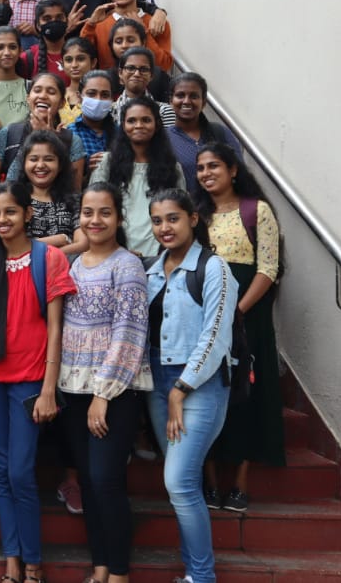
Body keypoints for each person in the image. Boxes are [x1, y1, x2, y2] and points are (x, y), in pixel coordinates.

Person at [0, 182, 74, 583]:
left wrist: (48, 389)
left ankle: (33, 561)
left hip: (30, 381)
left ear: (28, 213)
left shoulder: (49, 258)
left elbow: (56, 329)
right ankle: (12, 558)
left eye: (10, 211)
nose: (1, 220)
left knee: (20, 472)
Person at [62, 182, 152, 583]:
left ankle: (119, 573)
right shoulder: (75, 265)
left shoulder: (127, 265)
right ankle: (99, 567)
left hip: (115, 392)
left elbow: (129, 333)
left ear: (119, 218)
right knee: (88, 482)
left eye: (104, 212)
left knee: (105, 480)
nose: (95, 220)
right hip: (73, 389)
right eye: (87, 212)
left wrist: (103, 394)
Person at [145, 189, 235, 583]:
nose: (164, 227)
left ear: (193, 219)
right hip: (157, 383)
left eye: (173, 218)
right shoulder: (151, 269)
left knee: (179, 482)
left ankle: (202, 576)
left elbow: (215, 336)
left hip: (199, 385)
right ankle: (193, 572)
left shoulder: (214, 268)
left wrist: (181, 388)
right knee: (183, 482)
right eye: (157, 221)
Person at [194, 144, 284, 513]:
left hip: (249, 316)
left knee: (246, 395)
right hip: (203, 313)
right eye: (200, 167)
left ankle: (241, 482)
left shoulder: (256, 210)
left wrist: (237, 311)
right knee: (206, 393)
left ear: (233, 170)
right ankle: (210, 480)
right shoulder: (195, 214)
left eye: (214, 165)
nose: (206, 173)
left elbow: (268, 268)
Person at [90, 98, 186, 255]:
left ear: (157, 124)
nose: (139, 125)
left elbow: (180, 212)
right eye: (131, 121)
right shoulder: (107, 163)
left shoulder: (172, 167)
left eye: (146, 120)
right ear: (123, 125)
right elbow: (95, 208)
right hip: (116, 252)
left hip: (161, 253)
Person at [0, 72, 86, 186]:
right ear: (28, 98)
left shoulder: (72, 141)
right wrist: (36, 137)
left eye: (51, 92)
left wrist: (51, 141)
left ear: (62, 103)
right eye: (37, 90)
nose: (42, 96)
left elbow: (73, 191)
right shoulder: (9, 133)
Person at [81, 0, 172, 71]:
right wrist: (90, 24)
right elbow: (83, 56)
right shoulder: (98, 25)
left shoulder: (157, 23)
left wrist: (144, 32)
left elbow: (164, 65)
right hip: (108, 81)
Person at [168, 72, 243, 190]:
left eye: (194, 96)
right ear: (171, 101)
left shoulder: (220, 132)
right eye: (180, 95)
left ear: (203, 102)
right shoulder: (163, 139)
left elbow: (241, 174)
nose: (186, 101)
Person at [67, 70, 117, 176]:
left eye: (105, 95)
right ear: (79, 97)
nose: (98, 99)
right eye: (91, 94)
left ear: (112, 99)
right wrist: (86, 169)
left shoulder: (120, 133)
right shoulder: (70, 134)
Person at [15, 0, 71, 85]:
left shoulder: (78, 55)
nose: (54, 22)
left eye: (59, 18)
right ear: (38, 25)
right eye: (47, 19)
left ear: (67, 21)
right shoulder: (27, 58)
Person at [0, 27, 29, 128]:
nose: (7, 53)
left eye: (12, 47)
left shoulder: (31, 88)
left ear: (20, 50)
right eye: (0, 47)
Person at [56, 37, 96, 125]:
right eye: (69, 60)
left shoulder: (100, 96)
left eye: (81, 59)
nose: (74, 65)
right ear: (62, 64)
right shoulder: (57, 95)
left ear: (93, 62)